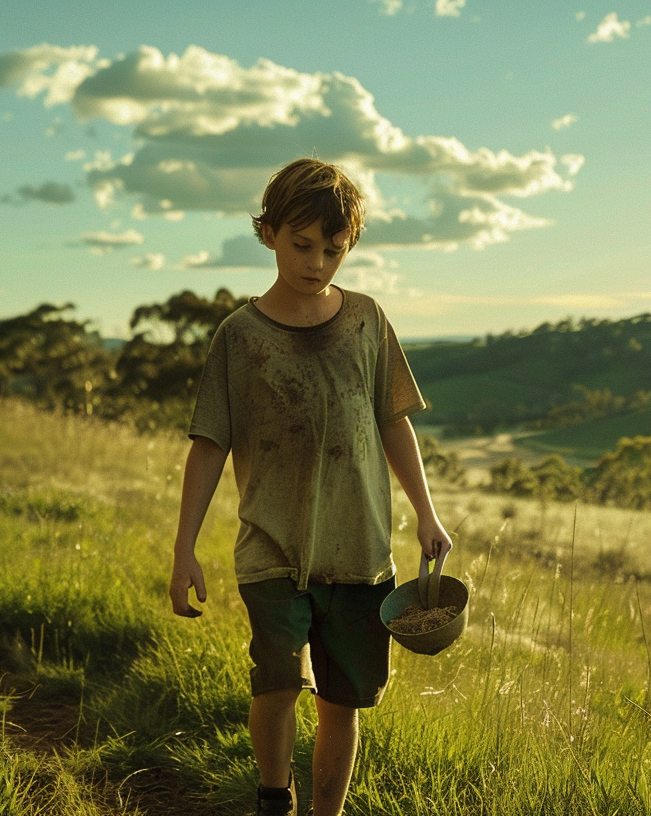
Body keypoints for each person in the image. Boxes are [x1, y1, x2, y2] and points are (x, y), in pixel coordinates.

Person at [168, 158, 453, 816]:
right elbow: (209, 444)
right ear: (268, 233)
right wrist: (184, 548)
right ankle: (275, 797)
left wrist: (427, 516)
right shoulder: (239, 337)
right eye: (302, 245)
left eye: (334, 249)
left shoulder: (366, 320)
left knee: (342, 700)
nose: (318, 262)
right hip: (272, 546)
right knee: (277, 682)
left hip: (359, 552)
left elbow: (393, 422)